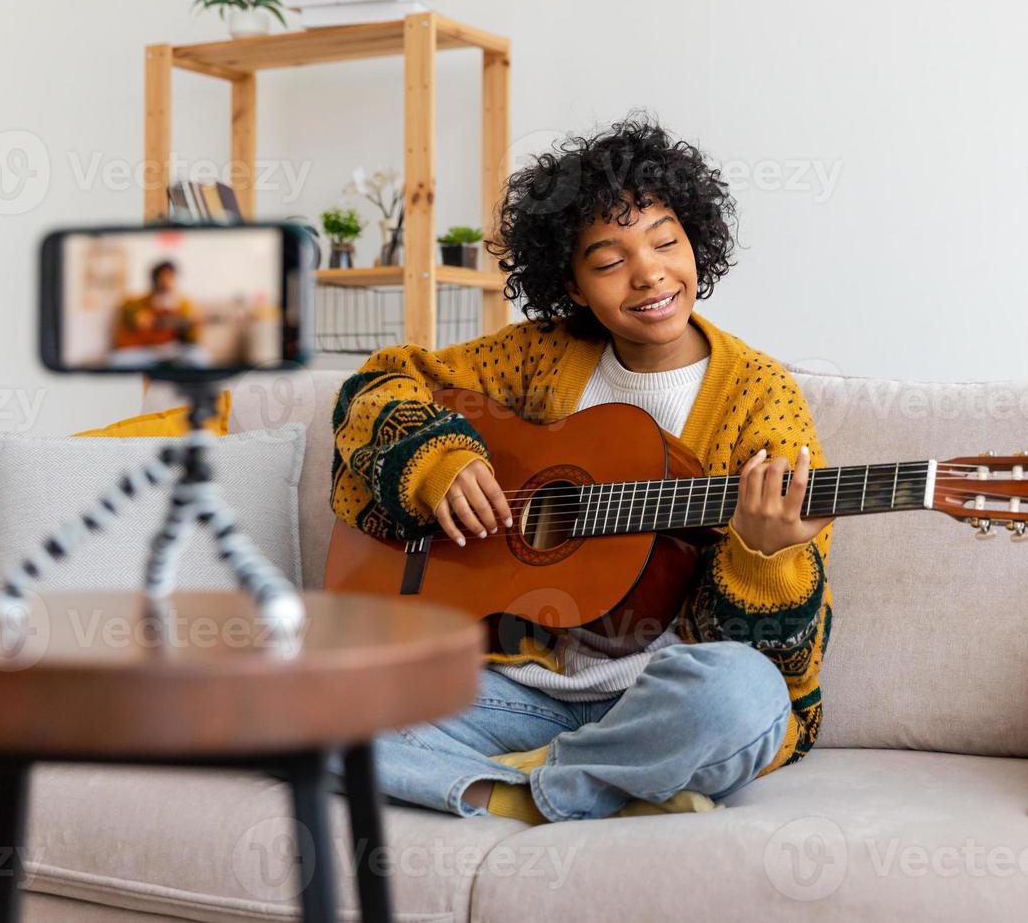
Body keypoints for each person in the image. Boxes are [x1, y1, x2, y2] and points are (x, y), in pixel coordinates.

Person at [330, 111, 835, 824]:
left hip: (661, 699)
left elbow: (777, 656)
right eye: (608, 261)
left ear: (697, 244)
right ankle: (597, 790)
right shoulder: (541, 356)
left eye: (666, 241)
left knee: (743, 696)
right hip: (518, 690)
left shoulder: (760, 397)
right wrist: (435, 462)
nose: (649, 272)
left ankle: (528, 791)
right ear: (571, 286)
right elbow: (382, 383)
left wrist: (765, 553)